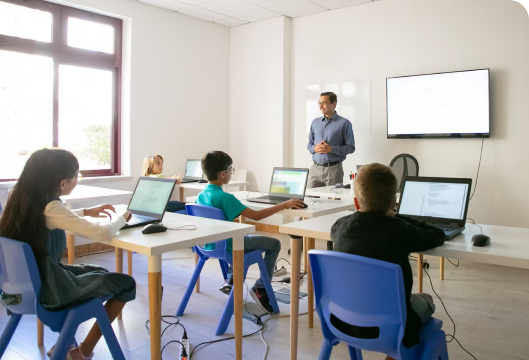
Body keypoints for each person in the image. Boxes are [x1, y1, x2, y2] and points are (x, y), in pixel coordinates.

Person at [0, 149, 136, 360]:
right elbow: (102, 232)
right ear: (62, 183)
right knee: (126, 283)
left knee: (97, 270)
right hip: (49, 291)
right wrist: (123, 218)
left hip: (18, 291)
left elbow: (53, 217)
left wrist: (86, 212)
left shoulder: (19, 200)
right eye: (76, 176)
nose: (76, 180)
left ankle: (63, 345)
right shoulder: (51, 207)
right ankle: (82, 352)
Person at [330, 163, 445, 357]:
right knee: (426, 299)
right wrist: (398, 217)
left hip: (342, 321)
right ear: (393, 203)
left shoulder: (339, 227)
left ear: (357, 203)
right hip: (392, 328)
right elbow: (437, 234)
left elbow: (347, 225)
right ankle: (395, 354)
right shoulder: (399, 229)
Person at [197, 151, 304, 313]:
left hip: (209, 247)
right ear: (223, 174)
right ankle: (260, 287)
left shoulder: (201, 195)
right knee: (274, 244)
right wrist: (284, 204)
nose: (231, 173)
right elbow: (256, 216)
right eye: (231, 170)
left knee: (242, 235)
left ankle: (231, 278)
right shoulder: (226, 198)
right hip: (230, 247)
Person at [307, 91, 355, 250]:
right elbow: (309, 145)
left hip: (333, 169)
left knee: (332, 208)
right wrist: (314, 148)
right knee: (307, 203)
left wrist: (331, 149)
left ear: (334, 104)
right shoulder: (315, 122)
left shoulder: (344, 123)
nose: (321, 106)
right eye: (319, 103)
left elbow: (350, 147)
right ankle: (304, 239)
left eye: (324, 102)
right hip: (315, 169)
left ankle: (331, 243)